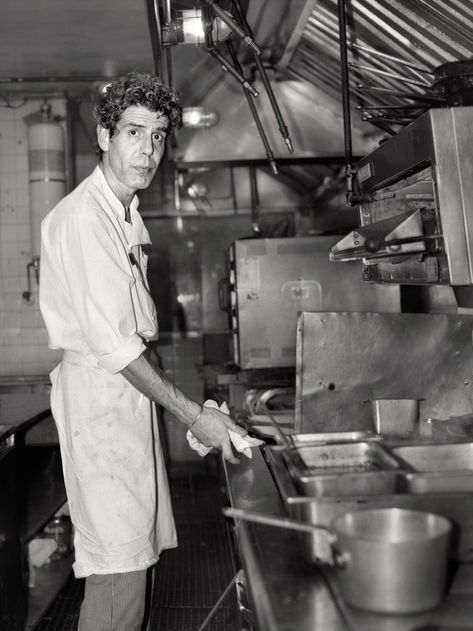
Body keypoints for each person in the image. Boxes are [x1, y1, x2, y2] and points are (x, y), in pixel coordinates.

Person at [39, 71, 247, 631]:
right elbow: (119, 349)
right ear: (105, 136)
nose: (148, 149)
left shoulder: (123, 212)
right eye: (134, 132)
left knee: (136, 563)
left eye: (157, 136)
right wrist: (194, 414)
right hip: (103, 408)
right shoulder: (86, 220)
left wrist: (186, 411)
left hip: (120, 407)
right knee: (118, 574)